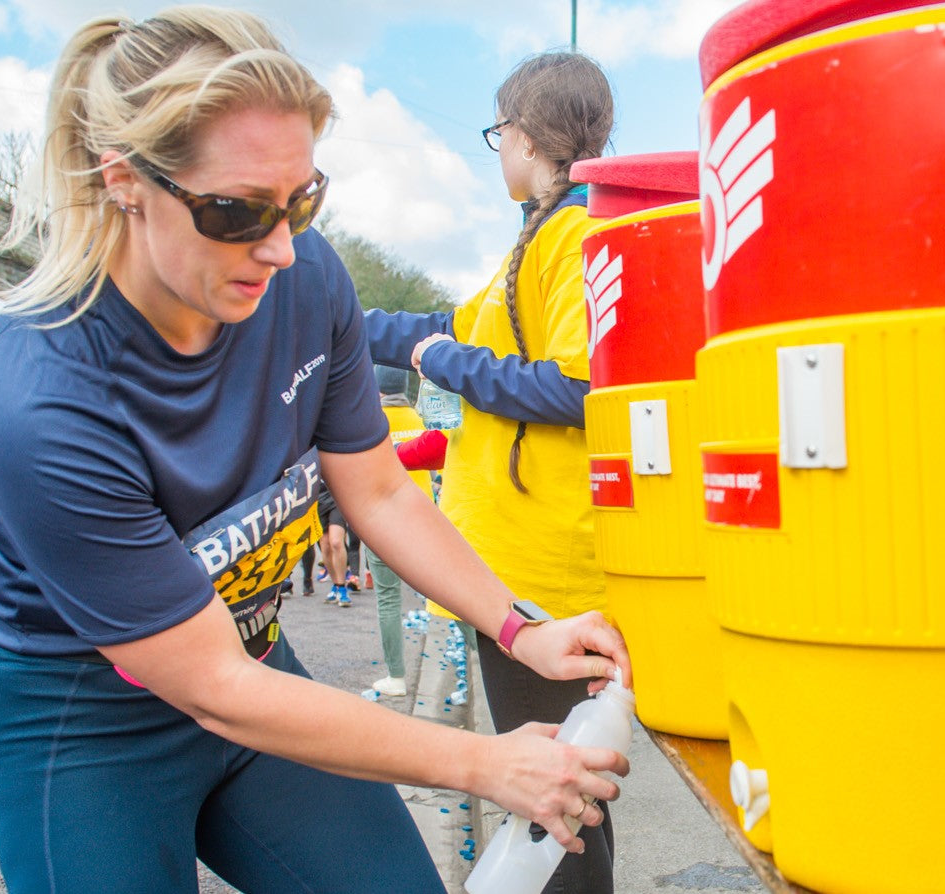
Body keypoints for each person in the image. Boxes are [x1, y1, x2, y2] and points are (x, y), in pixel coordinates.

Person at [0, 10, 631, 892]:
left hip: (254, 656)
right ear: (125, 181)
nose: (279, 247)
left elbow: (381, 493)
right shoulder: (37, 395)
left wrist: (520, 626)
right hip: (83, 718)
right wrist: (486, 764)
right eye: (235, 210)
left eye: (303, 199)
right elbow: (210, 685)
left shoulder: (303, 274)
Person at [363, 51, 618, 892]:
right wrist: (349, 321)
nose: (498, 148)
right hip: (508, 565)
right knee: (548, 792)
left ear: (530, 134)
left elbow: (582, 386)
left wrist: (442, 360)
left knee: (560, 799)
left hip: (541, 572)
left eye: (499, 132)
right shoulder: (537, 238)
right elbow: (454, 326)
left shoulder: (576, 234)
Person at [366, 365, 431, 697]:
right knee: (446, 598)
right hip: (425, 519)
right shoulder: (423, 419)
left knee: (388, 599)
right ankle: (481, 652)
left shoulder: (370, 423)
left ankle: (397, 677)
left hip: (383, 521)